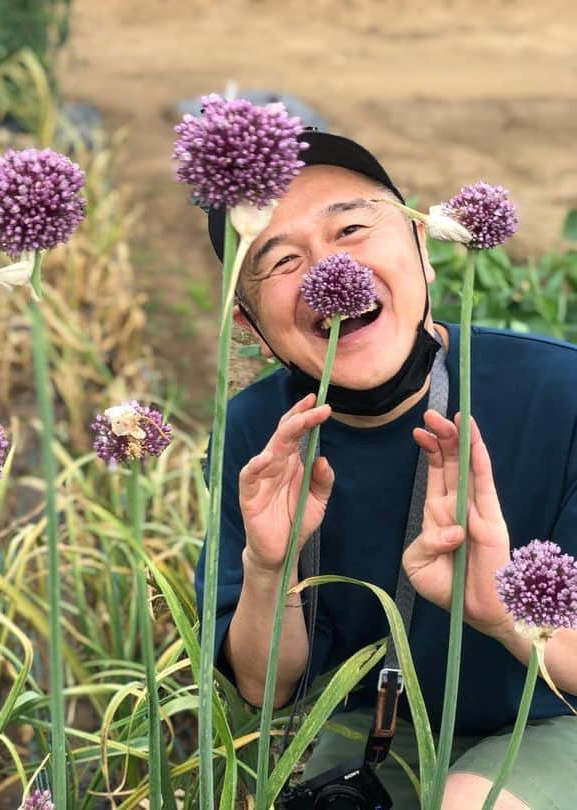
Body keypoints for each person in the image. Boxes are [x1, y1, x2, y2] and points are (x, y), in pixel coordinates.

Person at [194, 130, 577, 809]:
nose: (325, 271)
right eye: (281, 260)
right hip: (381, 733)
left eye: (352, 227)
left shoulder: (561, 392)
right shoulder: (258, 438)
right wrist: (269, 569)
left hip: (555, 718)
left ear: (423, 251)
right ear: (251, 329)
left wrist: (502, 610)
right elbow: (263, 689)